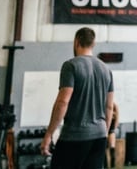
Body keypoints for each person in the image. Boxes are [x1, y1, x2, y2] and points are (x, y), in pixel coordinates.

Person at [41, 27, 114, 169]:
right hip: (99, 135)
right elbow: (109, 106)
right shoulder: (106, 69)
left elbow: (63, 102)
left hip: (75, 136)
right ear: (93, 44)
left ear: (76, 41)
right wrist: (104, 133)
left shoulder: (71, 66)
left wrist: (49, 134)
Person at [105, 101, 119, 168]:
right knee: (103, 149)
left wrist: (113, 129)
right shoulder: (102, 104)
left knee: (112, 147)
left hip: (111, 130)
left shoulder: (114, 105)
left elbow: (117, 119)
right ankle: (105, 166)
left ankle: (112, 165)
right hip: (103, 130)